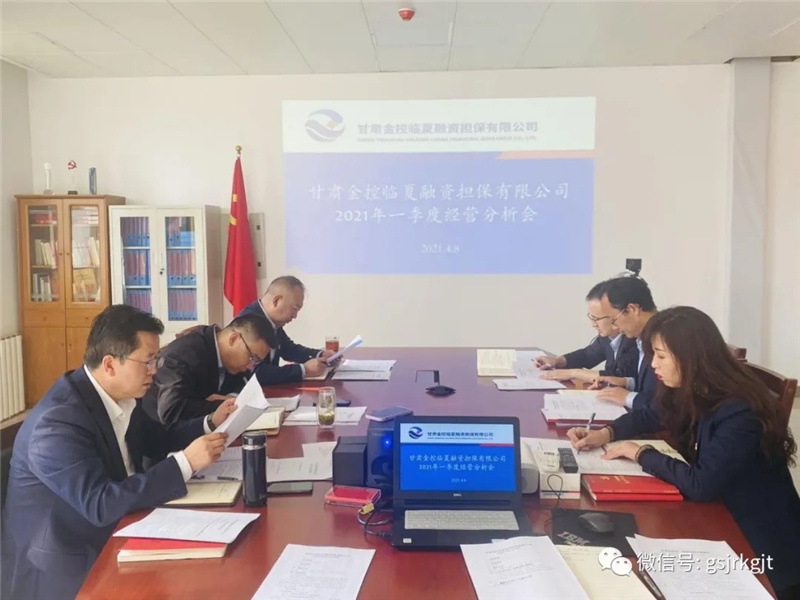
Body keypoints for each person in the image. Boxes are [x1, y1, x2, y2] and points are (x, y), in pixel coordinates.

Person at [1, 305, 235, 600]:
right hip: (66, 561)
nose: (155, 370)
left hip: (121, 523)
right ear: (110, 364)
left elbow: (156, 440)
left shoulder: (120, 392)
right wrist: (185, 463)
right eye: (147, 361)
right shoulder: (57, 422)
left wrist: (209, 422)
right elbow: (100, 504)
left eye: (157, 359)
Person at [567, 306, 800, 599]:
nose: (654, 364)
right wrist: (605, 434)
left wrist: (641, 453)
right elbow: (652, 414)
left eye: (661, 356)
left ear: (691, 357)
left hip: (761, 549)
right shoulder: (694, 386)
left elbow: (701, 484)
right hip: (718, 517)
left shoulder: (740, 410)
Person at [142, 313, 275, 429]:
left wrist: (232, 398)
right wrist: (218, 405)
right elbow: (171, 411)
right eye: (252, 357)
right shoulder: (184, 354)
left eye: (256, 361)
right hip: (163, 439)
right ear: (233, 338)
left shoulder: (235, 358)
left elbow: (243, 387)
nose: (251, 366)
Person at [236, 276, 338, 385]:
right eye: (294, 309)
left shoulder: (271, 320)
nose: (295, 316)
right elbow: (255, 373)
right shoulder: (247, 324)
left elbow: (288, 349)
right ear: (276, 301)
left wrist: (321, 354)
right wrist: (304, 370)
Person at [536, 280, 639, 383]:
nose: (593, 324)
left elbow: (619, 377)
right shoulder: (608, 337)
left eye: (596, 318)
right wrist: (558, 361)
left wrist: (573, 373)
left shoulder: (634, 338)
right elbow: (588, 355)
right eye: (591, 317)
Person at [589, 276, 658, 409]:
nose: (614, 326)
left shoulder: (663, 339)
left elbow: (663, 404)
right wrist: (627, 383)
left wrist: (627, 397)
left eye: (613, 319)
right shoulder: (640, 337)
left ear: (632, 309)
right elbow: (649, 386)